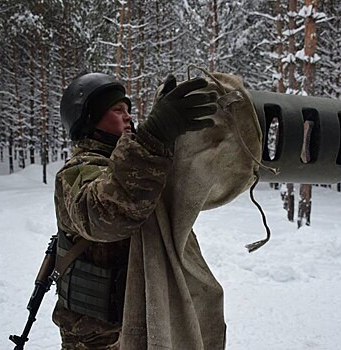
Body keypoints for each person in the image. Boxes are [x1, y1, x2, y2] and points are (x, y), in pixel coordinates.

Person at [53, 72, 218, 349]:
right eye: (117, 110)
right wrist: (153, 138)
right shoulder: (75, 172)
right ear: (90, 121)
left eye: (129, 110)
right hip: (96, 338)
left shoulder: (138, 162)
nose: (128, 116)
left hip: (145, 324)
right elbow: (107, 214)